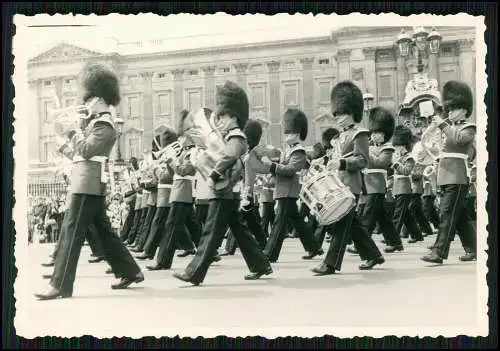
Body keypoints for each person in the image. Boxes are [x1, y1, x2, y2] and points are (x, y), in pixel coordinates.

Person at [34, 62, 143, 300]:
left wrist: (73, 130)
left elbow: (85, 150)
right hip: (86, 180)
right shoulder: (95, 123)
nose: (86, 103)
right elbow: (79, 154)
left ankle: (60, 284)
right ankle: (130, 271)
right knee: (103, 232)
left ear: (100, 98)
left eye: (89, 98)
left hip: (88, 183)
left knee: (71, 232)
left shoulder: (105, 125)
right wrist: (64, 145)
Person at [173, 81, 272, 285]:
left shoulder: (236, 136)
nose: (219, 121)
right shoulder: (228, 136)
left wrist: (214, 174)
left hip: (224, 188)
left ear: (233, 116)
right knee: (240, 231)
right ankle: (261, 264)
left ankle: (194, 272)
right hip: (227, 190)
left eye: (223, 116)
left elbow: (229, 156)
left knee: (210, 234)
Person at [311, 81, 384, 276]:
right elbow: (336, 158)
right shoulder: (341, 136)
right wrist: (323, 162)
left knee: (341, 225)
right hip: (338, 184)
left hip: (350, 185)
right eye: (336, 114)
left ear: (352, 112)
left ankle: (330, 263)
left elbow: (363, 160)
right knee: (352, 225)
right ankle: (373, 255)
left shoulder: (359, 134)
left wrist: (342, 164)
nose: (338, 118)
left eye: (341, 114)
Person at [421, 80, 477, 264]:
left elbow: (460, 140)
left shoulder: (468, 127)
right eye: (449, 109)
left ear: (464, 109)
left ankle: (439, 251)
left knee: (446, 213)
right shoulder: (448, 129)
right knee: (459, 215)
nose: (450, 112)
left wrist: (443, 125)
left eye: (453, 109)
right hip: (445, 175)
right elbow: (439, 149)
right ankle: (474, 248)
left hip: (457, 175)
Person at [261, 108, 323, 262]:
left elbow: (290, 170)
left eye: (289, 133)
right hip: (283, 190)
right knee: (297, 221)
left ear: (297, 134)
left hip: (288, 191)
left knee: (279, 224)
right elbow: (282, 168)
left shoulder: (299, 151)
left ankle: (269, 254)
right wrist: (271, 174)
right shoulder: (287, 150)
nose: (286, 136)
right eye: (286, 133)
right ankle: (314, 247)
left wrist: (272, 166)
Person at [357, 106, 403, 253]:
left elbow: (379, 163)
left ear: (384, 135)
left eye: (378, 133)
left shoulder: (387, 149)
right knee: (382, 218)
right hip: (368, 184)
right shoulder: (370, 147)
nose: (375, 135)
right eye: (374, 132)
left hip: (377, 185)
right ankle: (395, 242)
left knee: (367, 216)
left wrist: (365, 152)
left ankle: (362, 244)